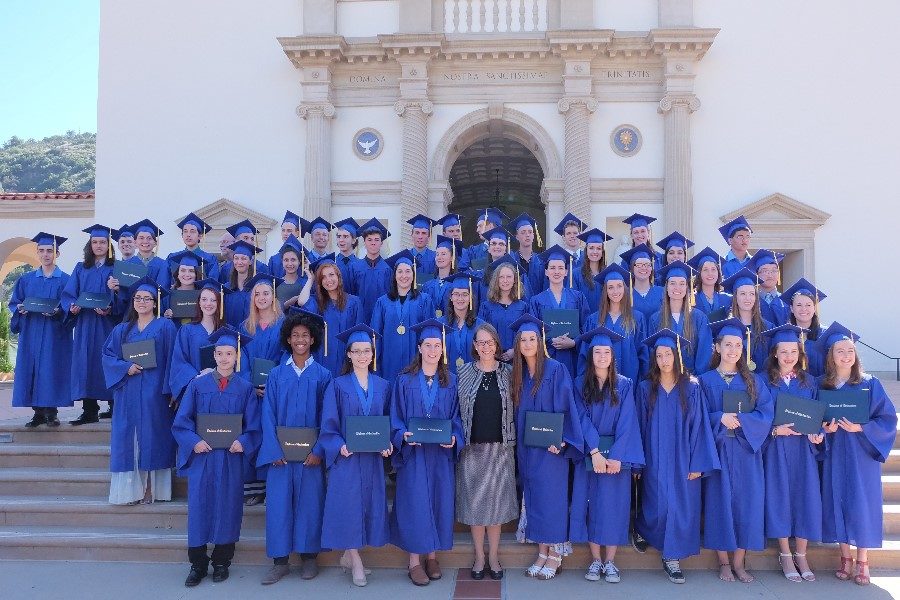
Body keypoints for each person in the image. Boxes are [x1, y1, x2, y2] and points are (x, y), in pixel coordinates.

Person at [172, 326, 261, 587]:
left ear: (237, 357)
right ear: (214, 355)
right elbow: (182, 422)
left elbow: (253, 426)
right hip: (204, 457)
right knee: (200, 507)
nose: (224, 358)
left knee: (229, 507)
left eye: (229, 353)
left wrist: (242, 442)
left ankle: (222, 561)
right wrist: (194, 441)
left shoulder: (245, 388)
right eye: (219, 353)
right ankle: (198, 564)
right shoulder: (198, 386)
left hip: (230, 459)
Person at [634, 329, 719, 584]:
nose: (664, 360)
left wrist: (697, 463)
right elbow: (637, 426)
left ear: (677, 356)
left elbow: (700, 426)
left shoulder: (691, 388)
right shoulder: (645, 388)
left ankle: (672, 557)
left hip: (684, 457)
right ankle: (644, 530)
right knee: (656, 502)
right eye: (659, 355)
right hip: (654, 457)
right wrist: (638, 462)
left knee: (681, 505)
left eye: (668, 354)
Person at [817, 322, 898, 586]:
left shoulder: (869, 383)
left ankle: (863, 561)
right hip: (835, 452)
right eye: (840, 351)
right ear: (831, 355)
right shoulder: (823, 386)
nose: (846, 355)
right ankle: (845, 558)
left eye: (850, 350)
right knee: (837, 498)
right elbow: (815, 419)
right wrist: (824, 428)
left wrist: (860, 427)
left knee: (861, 503)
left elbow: (887, 419)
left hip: (862, 452)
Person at [256, 310, 333, 585]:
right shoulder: (277, 374)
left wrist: (320, 451)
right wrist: (273, 450)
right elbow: (268, 414)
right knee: (278, 505)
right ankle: (279, 561)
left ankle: (309, 557)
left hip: (310, 456)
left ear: (313, 339)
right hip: (281, 456)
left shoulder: (323, 375)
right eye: (295, 335)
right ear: (288, 339)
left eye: (305, 335)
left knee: (310, 503)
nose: (300, 340)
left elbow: (328, 417)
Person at [699, 317, 774, 583]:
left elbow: (766, 413)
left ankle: (740, 562)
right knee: (720, 504)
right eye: (727, 345)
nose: (733, 350)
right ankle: (723, 563)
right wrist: (719, 416)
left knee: (747, 505)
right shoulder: (704, 381)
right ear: (717, 347)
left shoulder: (754, 381)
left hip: (746, 451)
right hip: (718, 451)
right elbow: (696, 417)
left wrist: (744, 421)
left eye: (738, 346)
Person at [389, 319, 464, 586]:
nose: (433, 350)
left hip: (440, 457)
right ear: (419, 348)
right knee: (415, 503)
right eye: (428, 345)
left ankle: (432, 556)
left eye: (437, 345)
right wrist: (401, 435)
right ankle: (414, 561)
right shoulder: (404, 381)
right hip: (414, 455)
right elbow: (395, 418)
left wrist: (455, 436)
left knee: (437, 501)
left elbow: (458, 418)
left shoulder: (451, 382)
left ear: (443, 349)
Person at [510, 314, 584, 581]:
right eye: (523, 340)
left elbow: (568, 406)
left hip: (552, 449)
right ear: (517, 344)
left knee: (552, 498)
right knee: (534, 497)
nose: (528, 343)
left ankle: (556, 553)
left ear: (541, 342)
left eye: (532, 339)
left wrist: (563, 439)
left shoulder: (555, 370)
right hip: (529, 449)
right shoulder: (518, 374)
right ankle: (542, 551)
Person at [320, 324, 393, 587]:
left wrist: (388, 444)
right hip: (348, 458)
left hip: (372, 459)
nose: (362, 355)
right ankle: (356, 561)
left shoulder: (384, 386)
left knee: (367, 506)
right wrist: (338, 444)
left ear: (373, 354)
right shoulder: (337, 385)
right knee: (348, 508)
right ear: (348, 355)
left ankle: (349, 557)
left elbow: (388, 421)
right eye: (357, 351)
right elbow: (328, 422)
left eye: (367, 351)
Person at [570, 326, 645, 584]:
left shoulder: (624, 385)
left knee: (614, 507)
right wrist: (594, 451)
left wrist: (616, 457)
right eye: (597, 352)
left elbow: (627, 422)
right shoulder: (580, 383)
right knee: (590, 504)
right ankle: (595, 560)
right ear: (590, 356)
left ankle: (610, 562)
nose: (602, 356)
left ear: (613, 356)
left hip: (616, 460)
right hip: (590, 455)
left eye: (607, 352)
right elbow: (580, 418)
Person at [101, 276, 178, 505]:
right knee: (129, 439)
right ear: (133, 301)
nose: (142, 302)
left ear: (155, 302)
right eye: (138, 298)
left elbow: (174, 359)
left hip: (155, 394)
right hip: (128, 391)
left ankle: (152, 490)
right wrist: (126, 367)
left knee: (154, 438)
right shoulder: (122, 330)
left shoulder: (165, 326)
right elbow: (107, 356)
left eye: (147, 298)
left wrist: (171, 390)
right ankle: (130, 491)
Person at [760, 323, 823, 583]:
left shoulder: (810, 382)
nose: (789, 356)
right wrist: (775, 431)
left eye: (793, 351)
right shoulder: (763, 380)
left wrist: (819, 433)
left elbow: (819, 416)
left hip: (803, 450)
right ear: (775, 353)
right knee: (779, 497)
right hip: (775, 449)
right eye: (783, 351)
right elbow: (758, 416)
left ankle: (802, 553)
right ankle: (785, 553)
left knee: (805, 496)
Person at [455, 323, 517, 581]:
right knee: (475, 508)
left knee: (497, 508)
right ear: (474, 346)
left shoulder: (509, 373)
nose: (485, 347)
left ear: (497, 344)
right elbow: (455, 409)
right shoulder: (464, 372)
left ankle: (494, 556)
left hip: (501, 449)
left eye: (490, 342)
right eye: (480, 343)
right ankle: (480, 556)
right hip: (472, 449)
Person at [9, 232, 73, 427]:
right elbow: (15, 302)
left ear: (57, 254)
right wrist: (19, 309)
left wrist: (58, 311)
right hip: (31, 331)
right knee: (33, 368)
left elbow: (69, 305)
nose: (46, 254)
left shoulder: (66, 279)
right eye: (42, 251)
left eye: (50, 251)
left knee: (52, 369)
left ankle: (52, 413)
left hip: (55, 333)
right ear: (37, 253)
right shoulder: (27, 279)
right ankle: (37, 414)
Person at [61, 224, 119, 425]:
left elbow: (123, 297)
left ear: (109, 245)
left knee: (108, 360)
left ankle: (114, 406)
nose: (99, 245)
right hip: (86, 323)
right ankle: (89, 410)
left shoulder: (116, 268)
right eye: (95, 242)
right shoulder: (80, 268)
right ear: (90, 245)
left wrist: (110, 308)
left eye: (103, 242)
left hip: (107, 324)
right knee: (85, 363)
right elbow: (69, 294)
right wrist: (72, 307)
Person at [371, 250, 434, 383]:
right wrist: (375, 364)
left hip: (416, 361)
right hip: (389, 361)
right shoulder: (382, 302)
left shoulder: (425, 300)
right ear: (394, 275)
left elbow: (430, 334)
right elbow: (375, 336)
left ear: (413, 274)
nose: (403, 276)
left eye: (408, 271)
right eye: (400, 272)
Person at [528, 245, 589, 378]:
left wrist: (574, 342)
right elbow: (534, 331)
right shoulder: (536, 301)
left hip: (573, 358)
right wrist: (549, 340)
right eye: (552, 268)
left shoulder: (578, 297)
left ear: (566, 272)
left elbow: (586, 327)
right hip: (547, 357)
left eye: (561, 268)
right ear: (546, 272)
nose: (557, 272)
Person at [578, 264, 647, 381]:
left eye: (619, 286)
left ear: (625, 288)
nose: (615, 291)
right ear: (605, 291)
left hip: (630, 380)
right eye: (610, 287)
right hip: (599, 383)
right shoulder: (593, 320)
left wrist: (642, 384)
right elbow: (585, 354)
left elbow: (643, 354)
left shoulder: (637, 318)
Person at [302, 257, 363, 377]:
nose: (328, 280)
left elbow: (358, 334)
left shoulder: (354, 302)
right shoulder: (316, 302)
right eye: (323, 277)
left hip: (346, 357)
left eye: (331, 275)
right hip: (322, 356)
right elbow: (302, 302)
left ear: (338, 276)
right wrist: (310, 279)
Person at [648, 261, 713, 375]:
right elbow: (652, 353)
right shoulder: (655, 319)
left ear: (687, 287)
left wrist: (695, 382)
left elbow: (704, 353)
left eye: (682, 283)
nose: (677, 287)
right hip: (663, 381)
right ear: (666, 287)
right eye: (672, 283)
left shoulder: (699, 318)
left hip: (692, 381)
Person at [169, 278, 227, 404]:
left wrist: (217, 373)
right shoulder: (186, 331)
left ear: (219, 303)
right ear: (199, 303)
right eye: (204, 299)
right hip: (195, 388)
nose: (208, 304)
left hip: (223, 389)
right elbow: (179, 361)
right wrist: (198, 376)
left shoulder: (228, 331)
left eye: (213, 300)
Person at [722, 267, 774, 373]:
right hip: (734, 386)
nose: (748, 298)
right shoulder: (726, 327)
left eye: (751, 294)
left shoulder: (768, 328)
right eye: (742, 294)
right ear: (735, 297)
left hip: (762, 384)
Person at [477, 259, 529, 361]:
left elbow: (528, 333)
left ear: (515, 280)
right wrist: (493, 351)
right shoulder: (486, 307)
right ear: (496, 280)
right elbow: (480, 333)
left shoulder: (523, 307)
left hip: (518, 359)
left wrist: (516, 351)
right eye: (501, 277)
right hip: (491, 358)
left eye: (509, 277)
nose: (505, 280)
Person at [347, 218, 392, 322]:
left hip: (384, 316)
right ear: (364, 242)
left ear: (381, 243)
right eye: (369, 240)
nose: (373, 243)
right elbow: (350, 294)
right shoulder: (354, 267)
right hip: (359, 316)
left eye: (377, 240)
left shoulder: (389, 268)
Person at [440, 272, 485, 376]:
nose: (460, 298)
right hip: (446, 381)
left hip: (472, 380)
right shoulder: (440, 324)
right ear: (451, 297)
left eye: (465, 294)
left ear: (470, 298)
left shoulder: (480, 326)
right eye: (456, 294)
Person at [783, 278, 827, 376]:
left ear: (814, 308)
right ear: (792, 308)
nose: (804, 309)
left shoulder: (825, 334)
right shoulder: (785, 334)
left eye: (808, 305)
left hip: (823, 387)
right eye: (799, 305)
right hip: (795, 389)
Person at [222, 240, 262, 328]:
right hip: (231, 336)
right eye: (236, 258)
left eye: (244, 258)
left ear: (250, 261)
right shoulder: (225, 289)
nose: (239, 262)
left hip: (251, 334)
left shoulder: (257, 288)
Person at [620, 243, 663, 322]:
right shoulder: (624, 294)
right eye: (639, 265)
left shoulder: (662, 292)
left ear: (651, 268)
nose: (643, 268)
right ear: (632, 269)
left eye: (647, 264)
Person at [171, 212, 220, 282]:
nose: (188, 235)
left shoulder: (210, 259)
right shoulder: (172, 258)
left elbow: (212, 283)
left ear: (200, 236)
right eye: (185, 231)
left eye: (192, 231)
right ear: (182, 235)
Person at [421, 234, 461, 318]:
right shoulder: (427, 285)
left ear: (451, 258)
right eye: (437, 254)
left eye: (443, 254)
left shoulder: (457, 285)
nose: (439, 257)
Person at [572, 227, 611, 310]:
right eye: (591, 248)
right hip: (583, 321)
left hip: (604, 320)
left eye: (599, 248)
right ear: (586, 251)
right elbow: (573, 302)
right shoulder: (576, 274)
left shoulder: (608, 274)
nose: (595, 252)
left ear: (602, 252)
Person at [688, 246, 732, 320]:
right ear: (699, 273)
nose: (710, 273)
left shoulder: (728, 299)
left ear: (718, 273)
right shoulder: (691, 300)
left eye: (713, 269)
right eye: (705, 270)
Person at [509, 212, 545, 296]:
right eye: (523, 232)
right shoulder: (511, 260)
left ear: (533, 235)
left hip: (537, 305)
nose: (527, 235)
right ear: (517, 236)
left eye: (530, 232)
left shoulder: (542, 261)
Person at [749, 249, 790, 325]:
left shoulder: (787, 301)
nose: (770, 275)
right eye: (765, 271)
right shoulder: (750, 301)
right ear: (756, 275)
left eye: (774, 271)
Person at [163, 250, 203, 326]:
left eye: (191, 271)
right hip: (175, 332)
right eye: (183, 270)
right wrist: (165, 316)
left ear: (196, 274)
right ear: (178, 274)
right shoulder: (168, 296)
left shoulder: (202, 295)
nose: (187, 274)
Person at [128, 219, 171, 289]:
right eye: (141, 238)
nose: (145, 241)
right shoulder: (127, 264)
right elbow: (123, 293)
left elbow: (164, 289)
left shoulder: (163, 265)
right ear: (135, 242)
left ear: (155, 243)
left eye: (149, 238)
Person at [275, 235, 313, 310]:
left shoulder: (306, 283)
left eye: (293, 260)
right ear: (282, 262)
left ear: (299, 261)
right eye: (286, 260)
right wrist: (288, 303)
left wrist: (310, 269)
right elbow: (274, 310)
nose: (289, 264)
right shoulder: (276, 284)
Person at [267, 211, 307, 278]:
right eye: (283, 230)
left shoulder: (305, 257)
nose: (285, 233)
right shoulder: (274, 259)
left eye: (289, 231)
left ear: (297, 233)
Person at [333, 217, 362, 291]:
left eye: (345, 236)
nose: (341, 240)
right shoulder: (332, 263)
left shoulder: (361, 265)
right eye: (339, 236)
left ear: (353, 240)